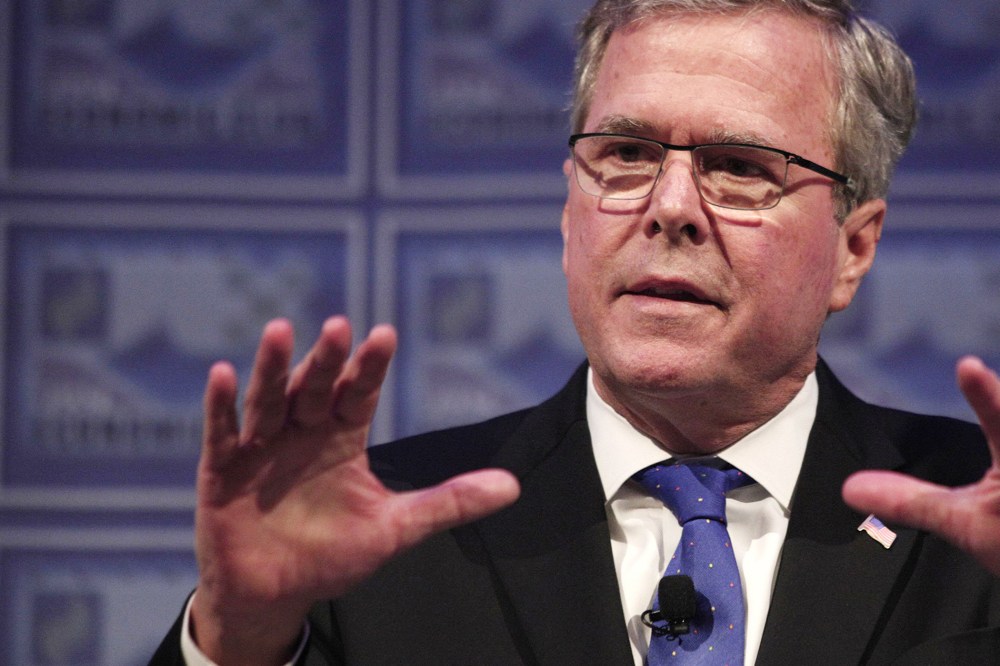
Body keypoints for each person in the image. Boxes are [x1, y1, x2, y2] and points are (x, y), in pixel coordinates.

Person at [152, 0, 1000, 664]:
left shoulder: (975, 523)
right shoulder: (371, 539)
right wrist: (238, 640)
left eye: (739, 168)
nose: (670, 208)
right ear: (571, 212)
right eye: (627, 152)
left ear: (853, 249)